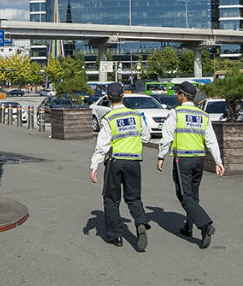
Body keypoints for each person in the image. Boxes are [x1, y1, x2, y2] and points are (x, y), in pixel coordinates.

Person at [156, 81, 226, 248]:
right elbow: (211, 140)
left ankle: (205, 224)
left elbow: (166, 137)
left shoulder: (176, 113)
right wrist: (218, 161)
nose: (176, 95)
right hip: (199, 159)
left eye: (177, 93)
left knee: (184, 195)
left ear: (182, 95)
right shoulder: (203, 115)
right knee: (193, 195)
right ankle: (188, 227)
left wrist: (161, 156)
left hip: (183, 160)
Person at [89, 82, 150, 251]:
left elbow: (102, 146)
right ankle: (140, 223)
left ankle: (115, 236)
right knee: (134, 198)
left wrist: (94, 166)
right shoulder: (136, 115)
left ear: (108, 98)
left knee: (111, 199)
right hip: (134, 162)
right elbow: (146, 137)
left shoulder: (109, 119)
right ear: (123, 95)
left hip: (115, 162)